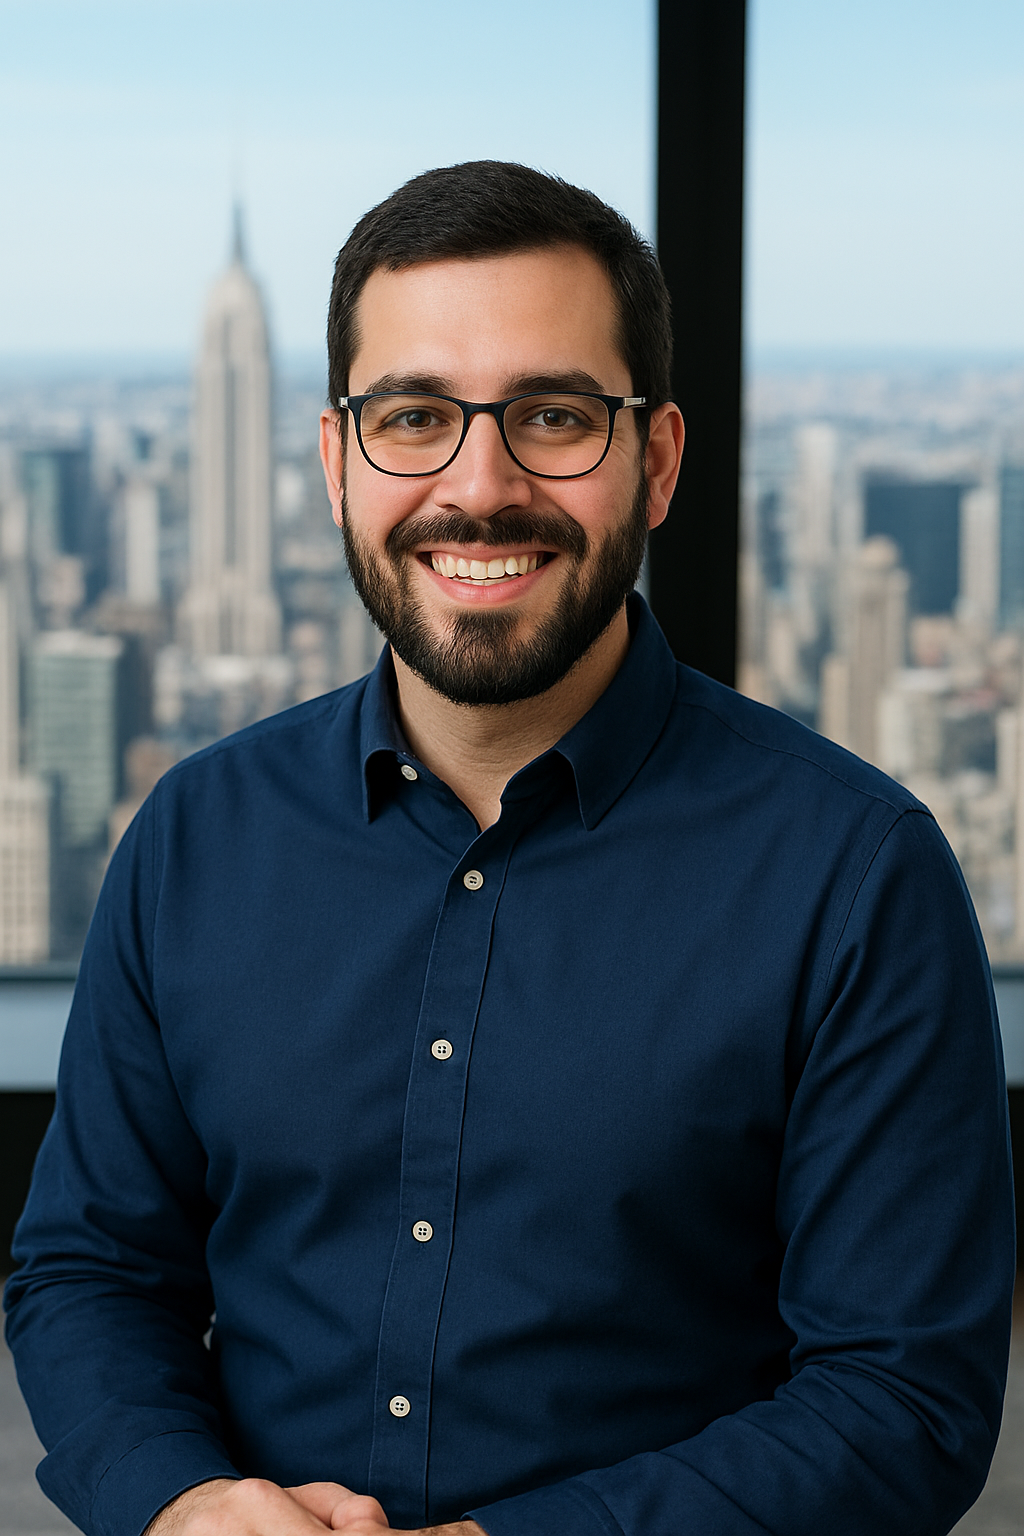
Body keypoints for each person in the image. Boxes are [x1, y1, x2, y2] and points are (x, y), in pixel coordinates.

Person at [4, 161, 1015, 1536]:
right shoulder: (195, 836)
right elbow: (89, 1272)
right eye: (413, 416)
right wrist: (180, 1503)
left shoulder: (855, 875)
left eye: (552, 416)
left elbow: (902, 1398)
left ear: (655, 462)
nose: (479, 488)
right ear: (335, 460)